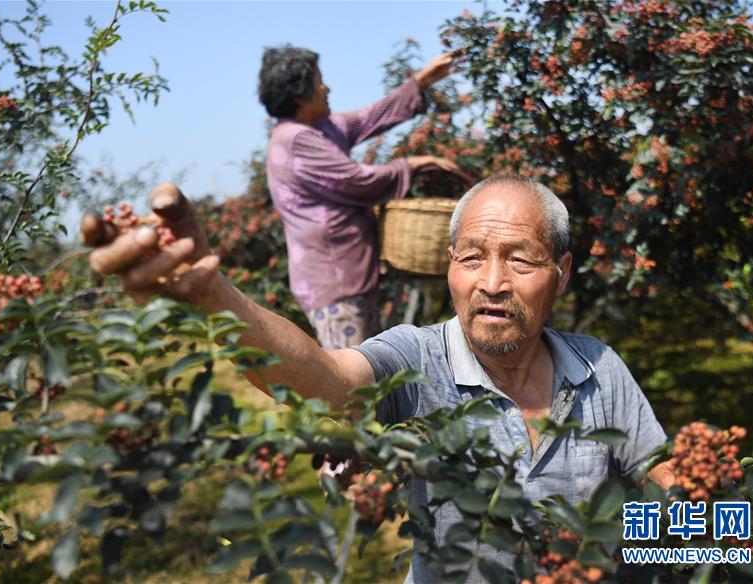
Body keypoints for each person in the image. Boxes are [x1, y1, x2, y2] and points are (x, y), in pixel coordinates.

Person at [83, 172, 674, 582]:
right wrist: (214, 294)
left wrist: (726, 531)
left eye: (520, 259)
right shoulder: (416, 361)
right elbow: (326, 377)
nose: (492, 282)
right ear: (450, 267)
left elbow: (676, 493)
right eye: (472, 258)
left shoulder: (598, 368)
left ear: (562, 272)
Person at [258, 45, 464, 349]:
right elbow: (356, 181)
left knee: (369, 370)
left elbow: (369, 118)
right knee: (354, 381)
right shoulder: (298, 140)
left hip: (348, 274)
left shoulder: (318, 128)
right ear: (301, 96)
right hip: (333, 280)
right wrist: (411, 165)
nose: (327, 88)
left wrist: (420, 81)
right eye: (319, 81)